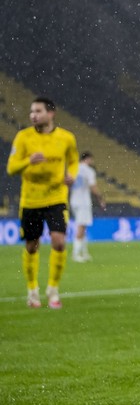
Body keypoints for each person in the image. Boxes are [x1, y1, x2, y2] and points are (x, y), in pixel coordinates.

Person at [6, 97, 79, 309]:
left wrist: (71, 175)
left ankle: (53, 290)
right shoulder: (23, 138)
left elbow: (73, 161)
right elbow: (11, 168)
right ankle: (32, 290)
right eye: (31, 112)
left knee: (59, 242)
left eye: (37, 111)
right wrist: (28, 161)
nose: (33, 115)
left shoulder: (66, 138)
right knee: (31, 246)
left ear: (51, 113)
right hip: (30, 200)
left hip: (56, 198)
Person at [70, 151, 105, 262]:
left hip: (74, 200)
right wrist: (100, 198)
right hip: (83, 202)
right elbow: (93, 186)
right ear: (88, 159)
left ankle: (84, 253)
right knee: (81, 227)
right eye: (91, 160)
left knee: (83, 227)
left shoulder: (74, 168)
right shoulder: (88, 171)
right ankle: (75, 254)